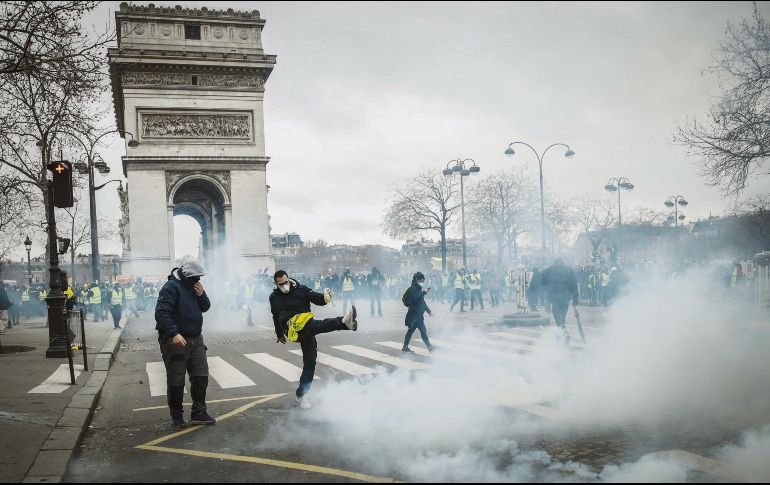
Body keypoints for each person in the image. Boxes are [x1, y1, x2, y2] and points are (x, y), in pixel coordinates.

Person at [269, 270, 357, 409]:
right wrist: (279, 334)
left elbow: (317, 299)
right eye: (280, 284)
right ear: (276, 284)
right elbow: (275, 316)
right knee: (316, 325)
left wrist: (325, 297)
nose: (284, 286)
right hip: (291, 327)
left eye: (285, 282)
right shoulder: (274, 297)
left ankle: (301, 395)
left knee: (310, 361)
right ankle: (343, 322)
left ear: (289, 279)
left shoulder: (301, 289)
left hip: (306, 325)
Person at [155, 260, 216, 428]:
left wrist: (201, 295)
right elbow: (162, 312)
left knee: (201, 375)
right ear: (187, 276)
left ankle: (199, 412)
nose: (198, 280)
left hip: (196, 338)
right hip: (176, 339)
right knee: (176, 378)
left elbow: (205, 307)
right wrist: (173, 333)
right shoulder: (171, 287)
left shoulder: (195, 286)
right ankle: (177, 415)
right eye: (196, 277)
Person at [541, 259, 579, 343]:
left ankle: (562, 330)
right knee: (562, 315)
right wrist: (575, 298)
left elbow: (543, 282)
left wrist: (548, 290)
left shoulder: (550, 269)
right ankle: (562, 330)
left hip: (554, 297)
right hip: (565, 296)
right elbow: (574, 284)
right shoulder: (569, 269)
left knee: (557, 315)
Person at [401, 272, 434, 353]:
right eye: (421, 281)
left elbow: (422, 302)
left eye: (423, 281)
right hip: (413, 315)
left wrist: (428, 311)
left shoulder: (418, 289)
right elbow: (415, 298)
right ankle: (429, 347)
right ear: (416, 280)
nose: (422, 282)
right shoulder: (412, 289)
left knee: (414, 331)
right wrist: (424, 293)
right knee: (422, 330)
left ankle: (405, 347)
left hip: (418, 314)